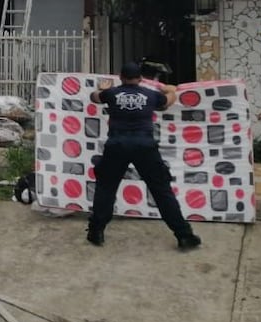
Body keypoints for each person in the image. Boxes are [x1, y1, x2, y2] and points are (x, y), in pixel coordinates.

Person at [85, 62, 201, 249]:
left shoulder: (112, 93)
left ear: (121, 77)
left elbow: (95, 97)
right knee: (161, 190)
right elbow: (166, 104)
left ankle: (96, 232)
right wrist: (170, 90)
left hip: (117, 145)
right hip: (145, 146)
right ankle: (184, 235)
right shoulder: (150, 95)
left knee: (106, 188)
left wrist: (102, 88)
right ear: (139, 79)